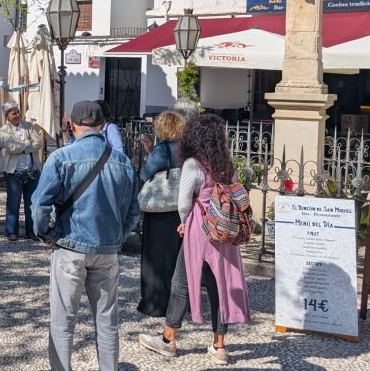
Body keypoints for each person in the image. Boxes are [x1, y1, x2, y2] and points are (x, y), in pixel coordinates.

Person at [31, 100, 139, 371]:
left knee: (63, 321)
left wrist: (45, 233)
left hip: (70, 247)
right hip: (106, 250)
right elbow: (133, 211)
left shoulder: (61, 157)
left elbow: (39, 205)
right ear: (102, 125)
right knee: (107, 322)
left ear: (72, 125)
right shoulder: (123, 162)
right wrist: (117, 237)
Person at [138, 113, 251, 366]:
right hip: (224, 231)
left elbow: (184, 202)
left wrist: (184, 222)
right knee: (220, 286)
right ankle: (219, 346)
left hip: (200, 229)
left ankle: (168, 339)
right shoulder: (226, 164)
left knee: (181, 282)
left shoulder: (193, 164)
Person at [136, 111, 186, 318]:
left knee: (156, 257)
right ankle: (178, 304)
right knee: (176, 258)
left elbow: (144, 173)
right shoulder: (186, 149)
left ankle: (156, 303)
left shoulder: (162, 149)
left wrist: (150, 154)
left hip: (159, 210)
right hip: (180, 208)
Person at [0, 102, 42, 242]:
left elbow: (38, 143)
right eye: (13, 113)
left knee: (32, 202)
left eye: (18, 112)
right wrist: (28, 143)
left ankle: (31, 230)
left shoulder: (28, 126)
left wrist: (22, 147)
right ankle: (11, 231)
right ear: (7, 116)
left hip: (32, 170)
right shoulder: (4, 130)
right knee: (13, 202)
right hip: (14, 172)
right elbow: (12, 148)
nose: (17, 115)